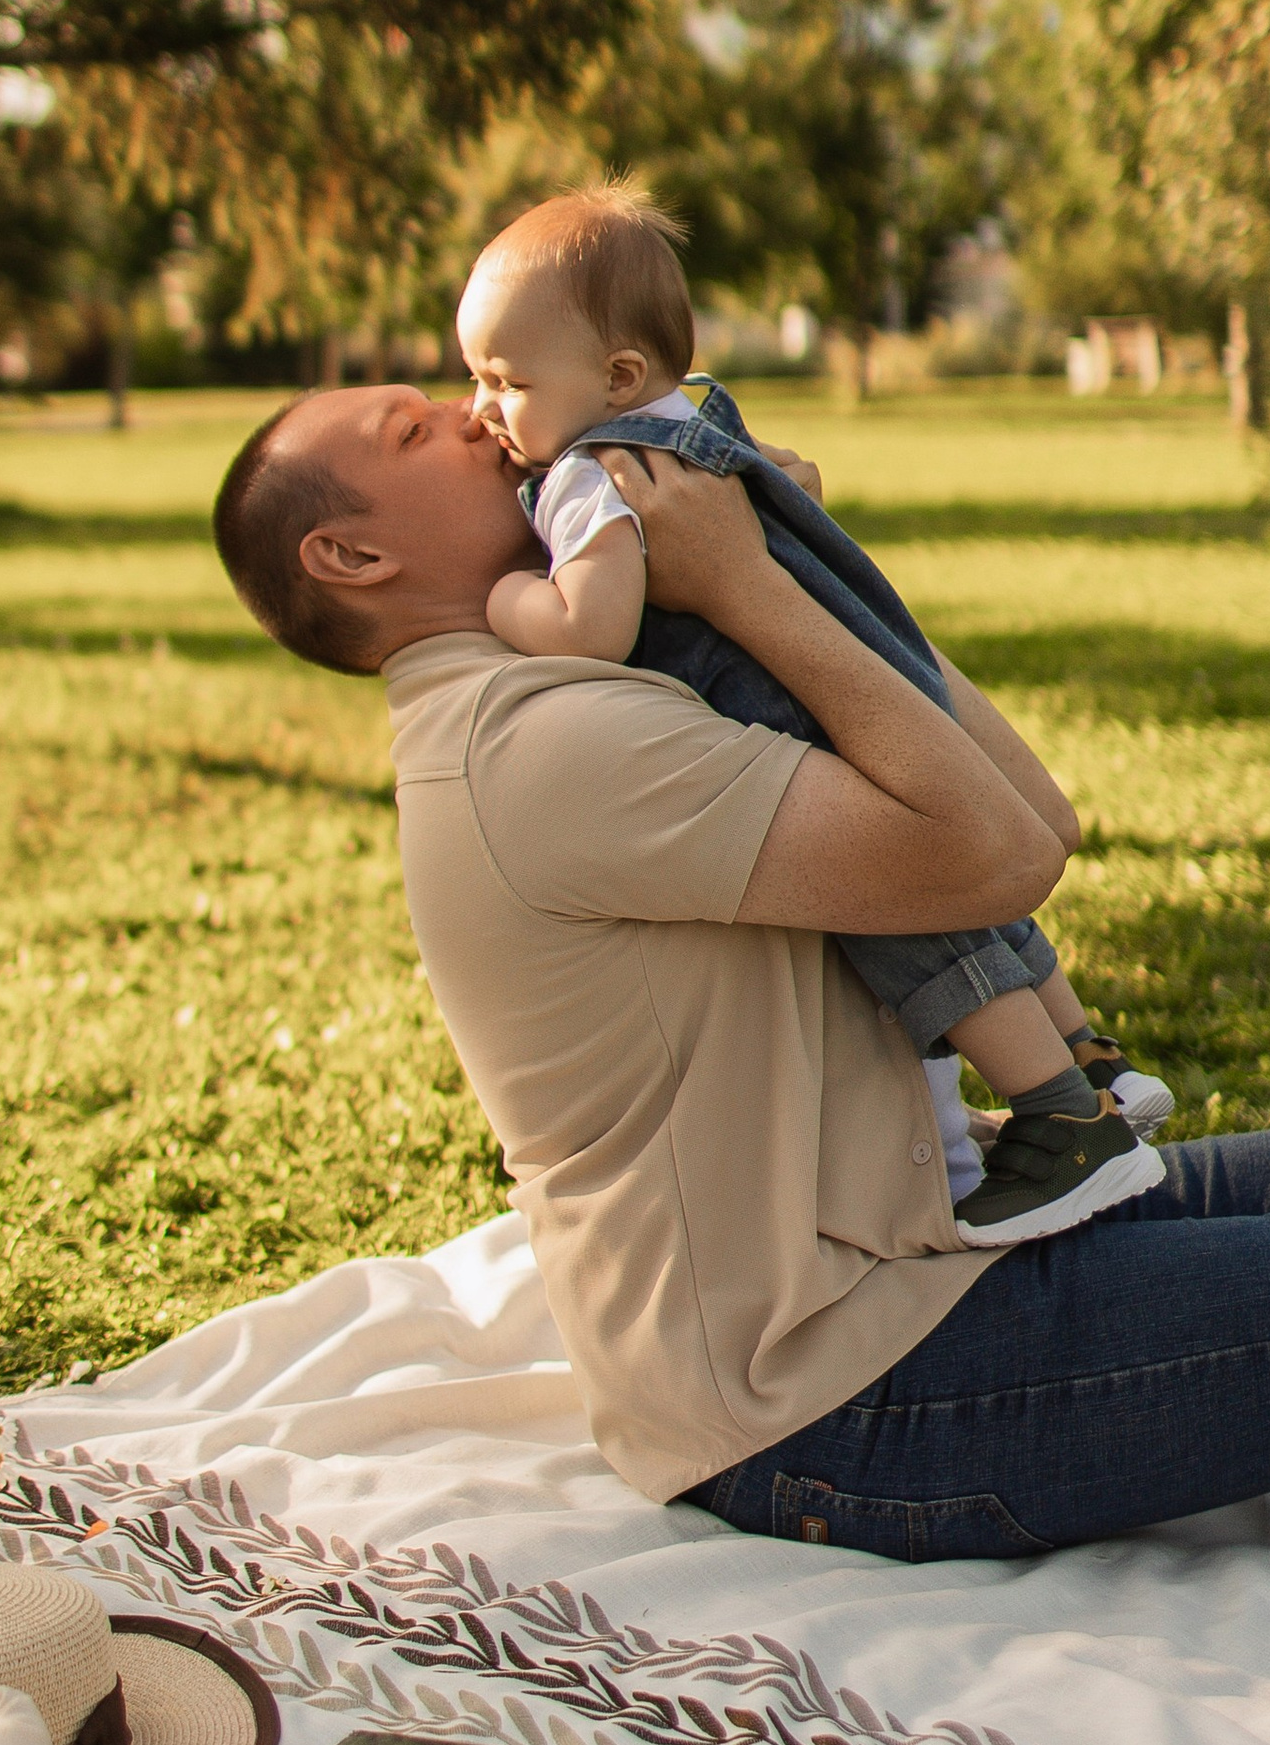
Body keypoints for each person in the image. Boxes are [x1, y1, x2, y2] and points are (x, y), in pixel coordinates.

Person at [211, 379, 1270, 1555]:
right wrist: (746, 583)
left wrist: (810, 571)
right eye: (417, 429)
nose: (481, 421)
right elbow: (993, 861)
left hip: (935, 1253)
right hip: (841, 1402)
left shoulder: (582, 694)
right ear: (349, 552)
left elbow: (1030, 814)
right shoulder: (542, 747)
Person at [453, 183, 1170, 1247]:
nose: (479, 410)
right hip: (867, 659)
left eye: (505, 383)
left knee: (912, 918)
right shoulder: (699, 416)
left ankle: (1061, 1122)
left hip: (785, 705)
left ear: (614, 380)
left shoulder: (585, 473)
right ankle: (1089, 1058)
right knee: (968, 870)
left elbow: (593, 625)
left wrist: (511, 598)